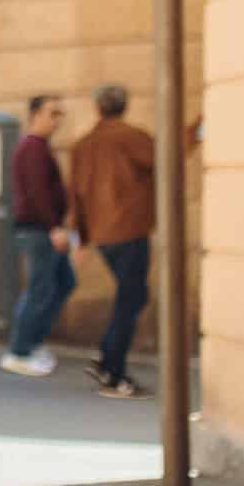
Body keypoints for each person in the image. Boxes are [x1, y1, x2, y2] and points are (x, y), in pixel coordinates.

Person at [69, 83, 155, 399]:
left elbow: (76, 194)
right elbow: (167, 156)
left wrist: (81, 238)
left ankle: (107, 358)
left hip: (102, 235)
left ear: (97, 108)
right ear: (125, 106)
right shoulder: (132, 137)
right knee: (132, 297)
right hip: (129, 230)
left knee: (131, 295)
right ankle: (112, 372)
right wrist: (197, 130)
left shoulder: (82, 145)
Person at [0, 95, 76, 377]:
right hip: (38, 229)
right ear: (35, 115)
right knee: (39, 289)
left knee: (64, 282)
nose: (57, 120)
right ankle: (19, 351)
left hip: (43, 228)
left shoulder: (39, 147)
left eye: (59, 114)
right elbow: (37, 192)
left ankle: (33, 341)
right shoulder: (32, 148)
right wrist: (54, 227)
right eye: (52, 113)